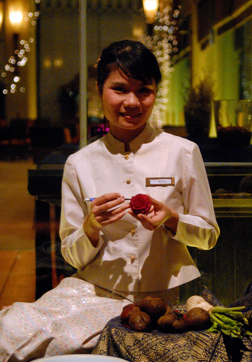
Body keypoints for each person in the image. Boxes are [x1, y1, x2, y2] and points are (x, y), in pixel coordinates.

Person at [59, 40, 220, 305]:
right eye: (120, 89)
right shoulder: (79, 163)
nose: (132, 102)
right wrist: (90, 226)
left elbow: (209, 236)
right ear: (100, 89)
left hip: (165, 298)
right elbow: (72, 256)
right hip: (97, 296)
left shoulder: (184, 152)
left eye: (144, 90)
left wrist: (171, 219)